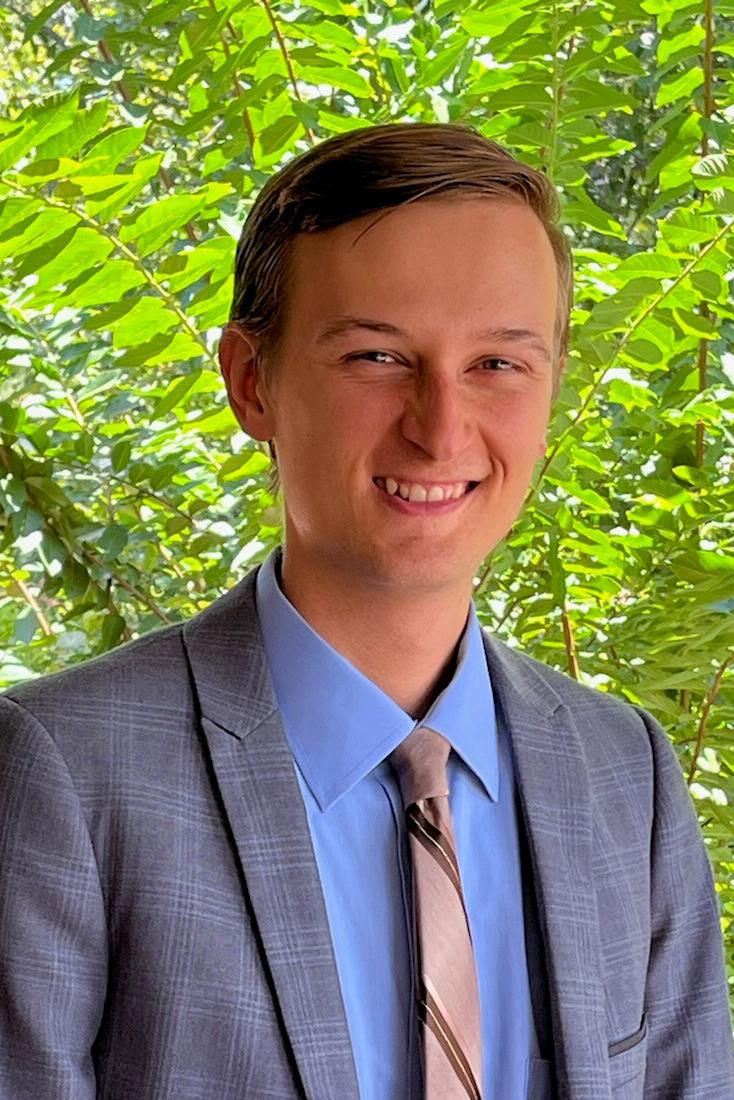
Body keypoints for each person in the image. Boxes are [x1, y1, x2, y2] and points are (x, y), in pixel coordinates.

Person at [0, 123, 731, 1100]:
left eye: (497, 363)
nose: (439, 428)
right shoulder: (64, 772)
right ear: (250, 381)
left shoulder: (623, 775)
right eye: (378, 355)